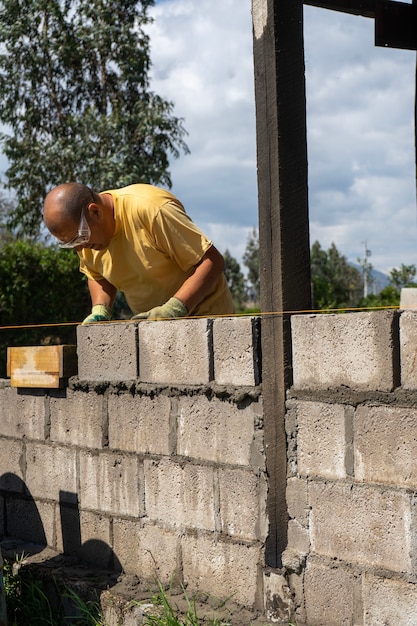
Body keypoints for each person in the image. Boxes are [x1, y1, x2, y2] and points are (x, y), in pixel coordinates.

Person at [43, 182, 234, 323]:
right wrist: (100, 310)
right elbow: (96, 274)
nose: (80, 249)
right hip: (154, 329)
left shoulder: (151, 209)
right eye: (70, 244)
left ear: (95, 212)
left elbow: (212, 261)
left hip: (209, 323)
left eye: (80, 239)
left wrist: (175, 309)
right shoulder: (85, 236)